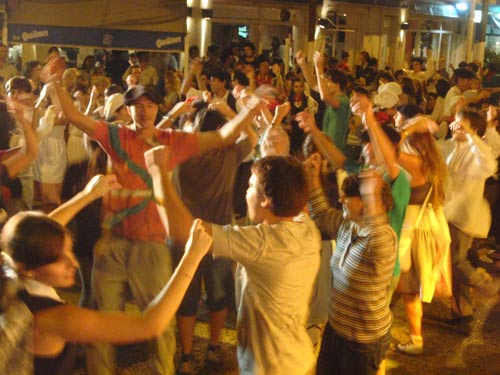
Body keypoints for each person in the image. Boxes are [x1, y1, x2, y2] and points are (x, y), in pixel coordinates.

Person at [42, 55, 266, 375]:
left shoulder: (172, 141)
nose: (143, 110)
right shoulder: (115, 136)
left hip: (151, 246)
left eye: (149, 104)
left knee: (160, 324)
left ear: (158, 108)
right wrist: (54, 86)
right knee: (101, 325)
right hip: (113, 244)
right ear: (129, 108)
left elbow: (221, 138)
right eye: (137, 105)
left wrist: (248, 111)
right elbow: (74, 116)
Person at [2, 174, 213, 375]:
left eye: (69, 250)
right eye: (58, 258)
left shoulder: (9, 267)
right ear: (29, 268)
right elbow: (149, 325)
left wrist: (88, 194)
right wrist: (192, 257)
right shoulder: (59, 319)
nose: (72, 262)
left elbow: (37, 235)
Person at [145, 147, 321, 375]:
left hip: (271, 368)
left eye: (249, 187)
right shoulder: (306, 228)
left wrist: (158, 174)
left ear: (266, 200)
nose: (245, 193)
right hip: (300, 360)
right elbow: (298, 201)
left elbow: (186, 232)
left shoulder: (263, 243)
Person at [172, 102, 256, 374]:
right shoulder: (230, 153)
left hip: (186, 236)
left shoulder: (184, 157)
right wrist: (233, 113)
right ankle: (214, 346)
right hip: (219, 235)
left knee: (186, 297)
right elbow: (252, 137)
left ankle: (185, 356)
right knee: (218, 294)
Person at [305, 161, 397, 375]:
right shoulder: (348, 225)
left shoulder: (383, 238)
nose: (341, 200)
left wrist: (372, 197)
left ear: (368, 203)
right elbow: (321, 217)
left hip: (363, 342)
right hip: (335, 330)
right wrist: (312, 181)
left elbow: (378, 234)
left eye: (348, 196)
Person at [438, 107, 500, 332]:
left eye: (461, 123)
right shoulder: (455, 146)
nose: (455, 126)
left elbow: (490, 163)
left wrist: (472, 136)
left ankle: (488, 285)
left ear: (473, 128)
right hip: (451, 213)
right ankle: (461, 310)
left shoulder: (477, 151)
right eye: (456, 122)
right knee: (454, 264)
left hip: (466, 216)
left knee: (457, 261)